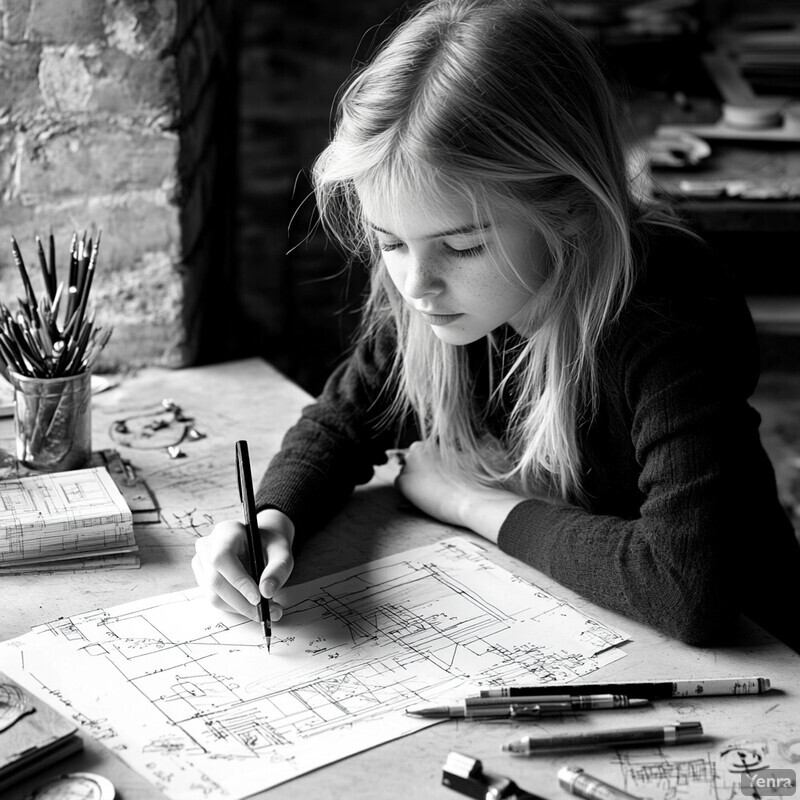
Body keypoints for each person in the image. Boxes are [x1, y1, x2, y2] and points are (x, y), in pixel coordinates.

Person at [192, 0, 800, 652]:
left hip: (764, 655)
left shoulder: (665, 307)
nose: (416, 285)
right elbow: (344, 421)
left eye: (462, 247)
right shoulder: (444, 296)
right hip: (589, 629)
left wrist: (471, 502)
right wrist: (273, 517)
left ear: (568, 209)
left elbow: (684, 587)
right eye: (390, 243)